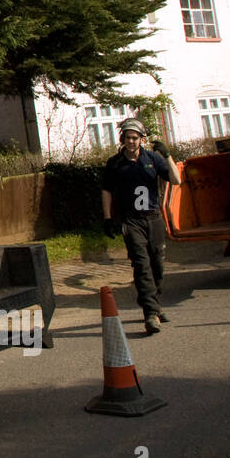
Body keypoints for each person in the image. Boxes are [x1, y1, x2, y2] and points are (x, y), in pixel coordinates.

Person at [100, 118, 182, 334]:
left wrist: (167, 155)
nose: (131, 142)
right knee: (141, 265)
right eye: (128, 138)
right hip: (131, 220)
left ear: (141, 140)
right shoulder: (115, 163)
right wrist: (108, 218)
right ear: (122, 139)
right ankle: (150, 314)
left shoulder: (153, 159)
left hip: (153, 218)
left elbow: (176, 180)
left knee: (158, 266)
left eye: (135, 138)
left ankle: (155, 304)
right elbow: (106, 190)